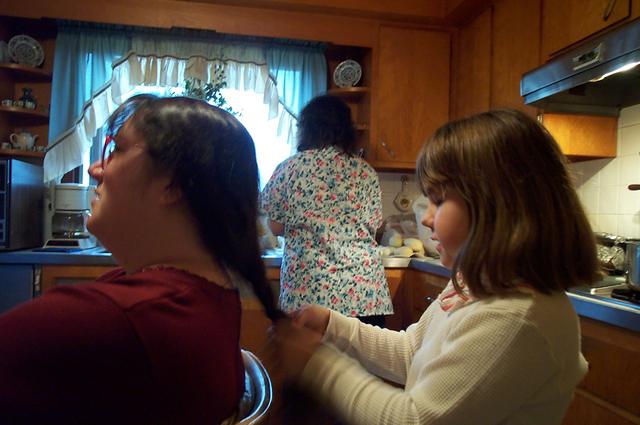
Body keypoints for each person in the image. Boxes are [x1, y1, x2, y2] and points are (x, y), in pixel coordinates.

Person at [270, 109, 601, 425]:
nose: (427, 218)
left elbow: (412, 419)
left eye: (439, 200)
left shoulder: (516, 317)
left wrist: (317, 363)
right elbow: (412, 351)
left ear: (498, 206)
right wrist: (332, 325)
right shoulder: (476, 284)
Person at [0, 95, 283, 425]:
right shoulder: (208, 300)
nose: (95, 169)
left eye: (116, 149)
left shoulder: (121, 318)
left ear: (174, 183)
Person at [261, 94, 393, 326]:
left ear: (306, 129)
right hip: (364, 294)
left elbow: (276, 227)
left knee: (309, 352)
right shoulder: (365, 171)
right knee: (365, 351)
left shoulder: (290, 168)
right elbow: (372, 226)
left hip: (310, 294)